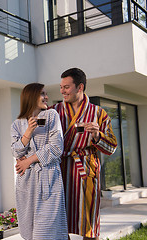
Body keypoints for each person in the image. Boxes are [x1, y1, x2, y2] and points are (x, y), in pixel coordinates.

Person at [51, 68, 117, 240]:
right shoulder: (54, 111)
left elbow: (112, 148)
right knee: (59, 222)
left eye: (66, 87)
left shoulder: (98, 114)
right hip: (59, 172)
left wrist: (97, 136)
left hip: (85, 172)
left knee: (89, 223)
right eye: (61, 87)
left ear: (80, 87)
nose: (62, 91)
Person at [11, 83, 68, 240]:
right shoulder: (17, 125)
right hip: (26, 183)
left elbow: (56, 147)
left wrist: (28, 160)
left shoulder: (51, 115)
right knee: (29, 233)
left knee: (45, 234)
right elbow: (16, 151)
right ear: (31, 96)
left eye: (46, 93)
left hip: (48, 180)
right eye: (42, 94)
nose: (46, 97)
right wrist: (28, 131)